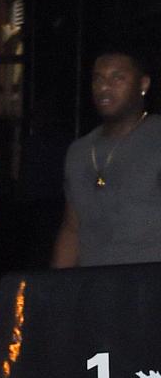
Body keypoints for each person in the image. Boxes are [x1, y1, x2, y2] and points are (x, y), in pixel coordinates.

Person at [51, 46, 161, 267]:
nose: (104, 87)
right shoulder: (79, 151)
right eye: (98, 79)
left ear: (143, 85)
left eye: (117, 78)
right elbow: (72, 228)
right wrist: (57, 288)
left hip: (148, 287)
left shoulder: (156, 137)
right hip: (94, 286)